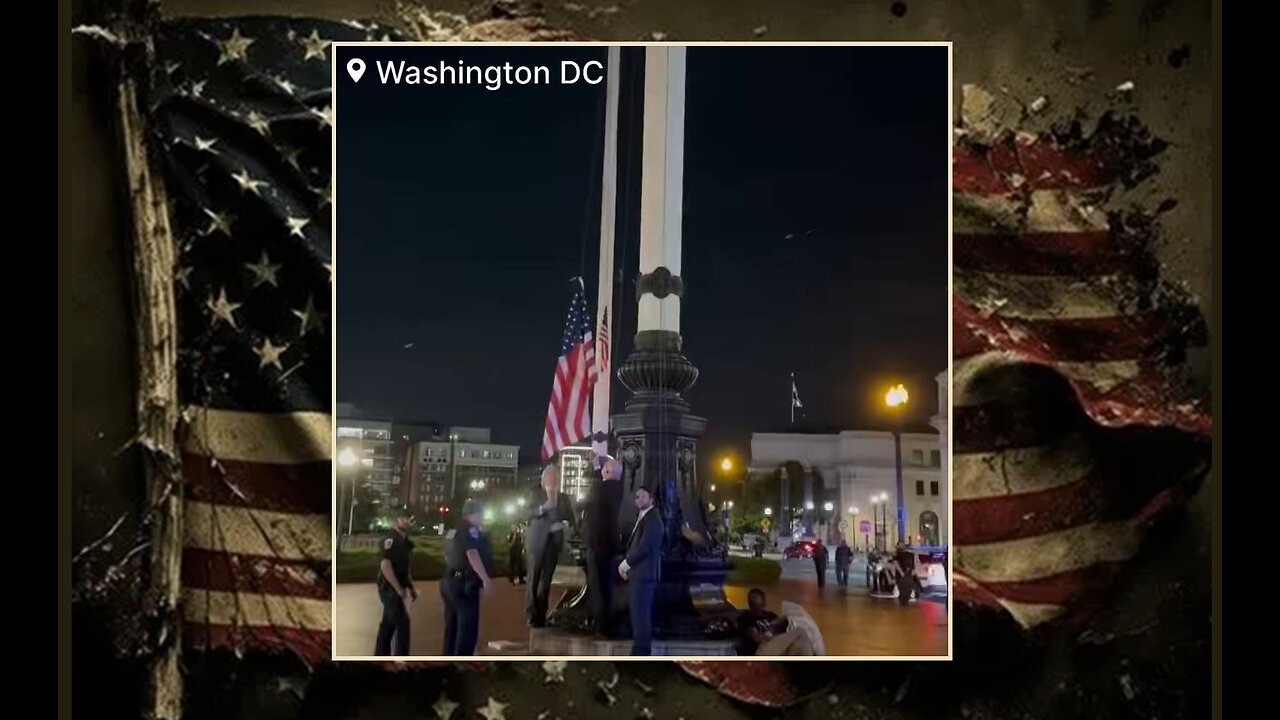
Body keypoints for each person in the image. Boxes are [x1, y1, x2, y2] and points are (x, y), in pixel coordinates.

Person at [440, 500, 495, 655]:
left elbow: (448, 555)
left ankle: (448, 660)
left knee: (452, 627)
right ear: (474, 514)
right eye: (481, 515)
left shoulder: (453, 530)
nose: (482, 519)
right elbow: (472, 553)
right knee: (467, 629)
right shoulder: (470, 530)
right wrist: (485, 578)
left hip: (449, 581)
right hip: (464, 584)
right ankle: (462, 662)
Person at [525, 465, 576, 627]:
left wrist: (565, 526)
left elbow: (572, 519)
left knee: (545, 582)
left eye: (556, 477)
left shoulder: (563, 498)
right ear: (543, 479)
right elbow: (526, 513)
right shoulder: (535, 493)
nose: (553, 480)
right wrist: (542, 509)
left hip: (553, 544)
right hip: (536, 544)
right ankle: (531, 615)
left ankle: (541, 615)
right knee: (533, 580)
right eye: (550, 477)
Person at [583, 456, 624, 638]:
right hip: (611, 545)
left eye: (603, 469)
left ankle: (601, 626)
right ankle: (606, 624)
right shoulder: (620, 490)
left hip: (597, 545)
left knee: (598, 587)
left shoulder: (600, 489)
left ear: (606, 472)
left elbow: (587, 511)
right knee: (607, 587)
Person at [619, 485, 663, 655]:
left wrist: (626, 563)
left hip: (644, 576)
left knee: (641, 618)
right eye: (636, 496)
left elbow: (644, 546)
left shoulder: (653, 519)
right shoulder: (645, 518)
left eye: (642, 496)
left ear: (651, 499)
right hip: (640, 575)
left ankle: (641, 653)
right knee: (638, 618)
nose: (637, 498)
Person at [374, 509, 417, 656]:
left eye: (407, 518)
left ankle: (380, 656)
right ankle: (402, 658)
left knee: (388, 624)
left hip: (397, 588)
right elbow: (385, 565)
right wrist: (399, 589)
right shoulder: (390, 539)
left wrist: (411, 587)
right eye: (402, 518)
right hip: (389, 589)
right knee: (402, 625)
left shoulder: (404, 541)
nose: (406, 521)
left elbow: (406, 568)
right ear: (395, 521)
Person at [736, 588, 816, 656]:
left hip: (777, 645)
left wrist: (782, 622)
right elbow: (756, 638)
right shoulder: (746, 617)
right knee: (801, 632)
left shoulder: (770, 615)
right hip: (762, 649)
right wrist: (769, 631)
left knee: (801, 642)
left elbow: (785, 628)